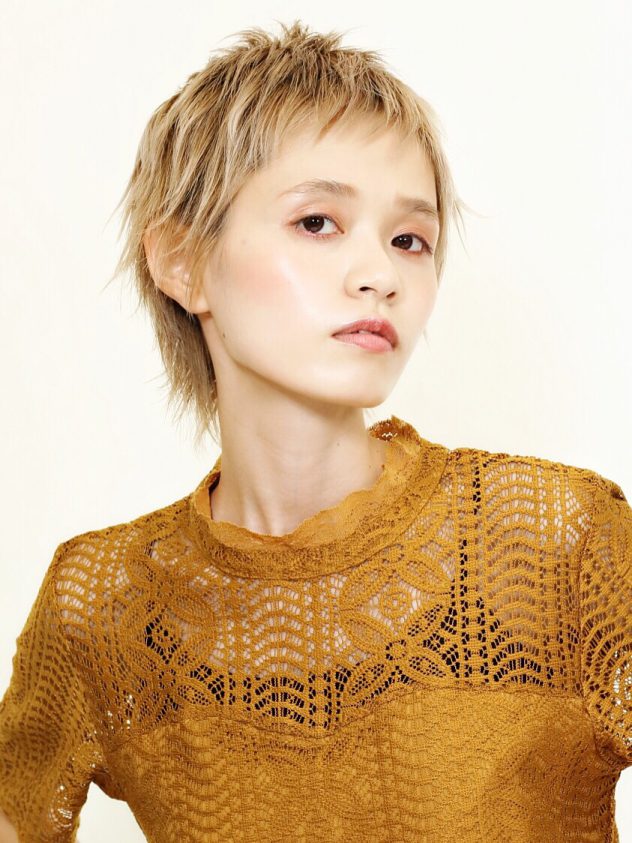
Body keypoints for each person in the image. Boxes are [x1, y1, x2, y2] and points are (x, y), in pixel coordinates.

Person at [0, 18, 630, 843]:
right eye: (318, 222)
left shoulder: (550, 537)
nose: (380, 274)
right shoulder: (104, 603)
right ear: (182, 262)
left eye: (410, 239)